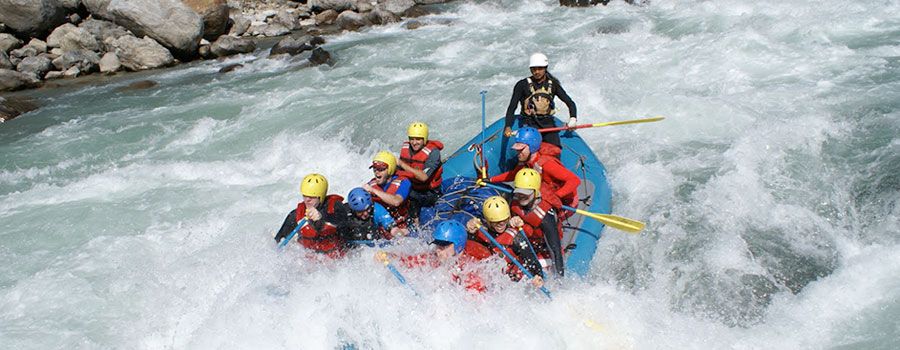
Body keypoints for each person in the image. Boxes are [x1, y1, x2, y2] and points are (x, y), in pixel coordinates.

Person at [375, 220, 493, 293]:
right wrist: (388, 256)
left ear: (458, 245)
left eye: (444, 246)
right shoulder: (437, 257)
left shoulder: (471, 267)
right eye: (437, 245)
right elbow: (410, 261)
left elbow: (476, 304)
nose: (438, 251)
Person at [487, 127, 581, 215]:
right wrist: (490, 180)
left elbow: (574, 180)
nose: (518, 153)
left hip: (566, 202)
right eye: (517, 149)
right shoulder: (525, 161)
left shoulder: (547, 164)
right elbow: (514, 174)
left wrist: (556, 196)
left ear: (532, 147)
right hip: (545, 195)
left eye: (521, 149)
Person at [503, 52, 578, 149]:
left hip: (548, 124)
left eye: (540, 69)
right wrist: (508, 126)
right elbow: (512, 107)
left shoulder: (553, 84)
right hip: (529, 124)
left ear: (545, 68)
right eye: (534, 69)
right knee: (528, 153)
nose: (537, 72)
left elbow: (570, 103)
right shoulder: (521, 85)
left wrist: (573, 119)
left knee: (555, 150)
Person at [464, 196, 544, 281]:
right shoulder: (480, 232)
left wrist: (538, 277)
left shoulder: (515, 237)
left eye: (504, 220)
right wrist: (470, 233)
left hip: (512, 281)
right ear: (488, 220)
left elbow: (532, 261)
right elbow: (468, 250)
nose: (501, 224)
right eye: (495, 221)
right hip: (489, 278)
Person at [507, 168, 566, 276]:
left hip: (544, 251)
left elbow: (555, 251)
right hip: (524, 246)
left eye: (526, 193)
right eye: (519, 192)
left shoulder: (545, 216)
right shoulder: (514, 199)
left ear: (535, 191)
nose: (521, 196)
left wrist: (559, 280)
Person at [274, 174, 346, 257]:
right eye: (304, 195)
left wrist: (322, 216)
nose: (307, 199)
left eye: (312, 196)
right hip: (308, 261)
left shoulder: (336, 206)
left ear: (321, 196)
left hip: (335, 259)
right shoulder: (295, 215)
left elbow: (344, 220)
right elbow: (278, 241)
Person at [396, 122, 443, 226]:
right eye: (411, 139)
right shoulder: (406, 149)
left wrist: (401, 164)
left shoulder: (433, 153)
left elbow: (423, 177)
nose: (414, 142)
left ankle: (415, 222)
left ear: (424, 139)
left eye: (418, 139)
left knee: (411, 196)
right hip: (413, 187)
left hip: (429, 192)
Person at [340, 187, 408, 248]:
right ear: (353, 209)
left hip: (373, 247)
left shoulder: (376, 209)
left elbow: (392, 228)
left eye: (367, 209)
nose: (365, 214)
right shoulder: (344, 212)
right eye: (360, 212)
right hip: (349, 247)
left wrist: (400, 237)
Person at [363, 151, 412, 230]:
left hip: (401, 226)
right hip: (381, 227)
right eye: (375, 169)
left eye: (381, 169)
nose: (376, 172)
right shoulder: (371, 184)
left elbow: (396, 201)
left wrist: (373, 191)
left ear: (390, 170)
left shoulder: (404, 182)